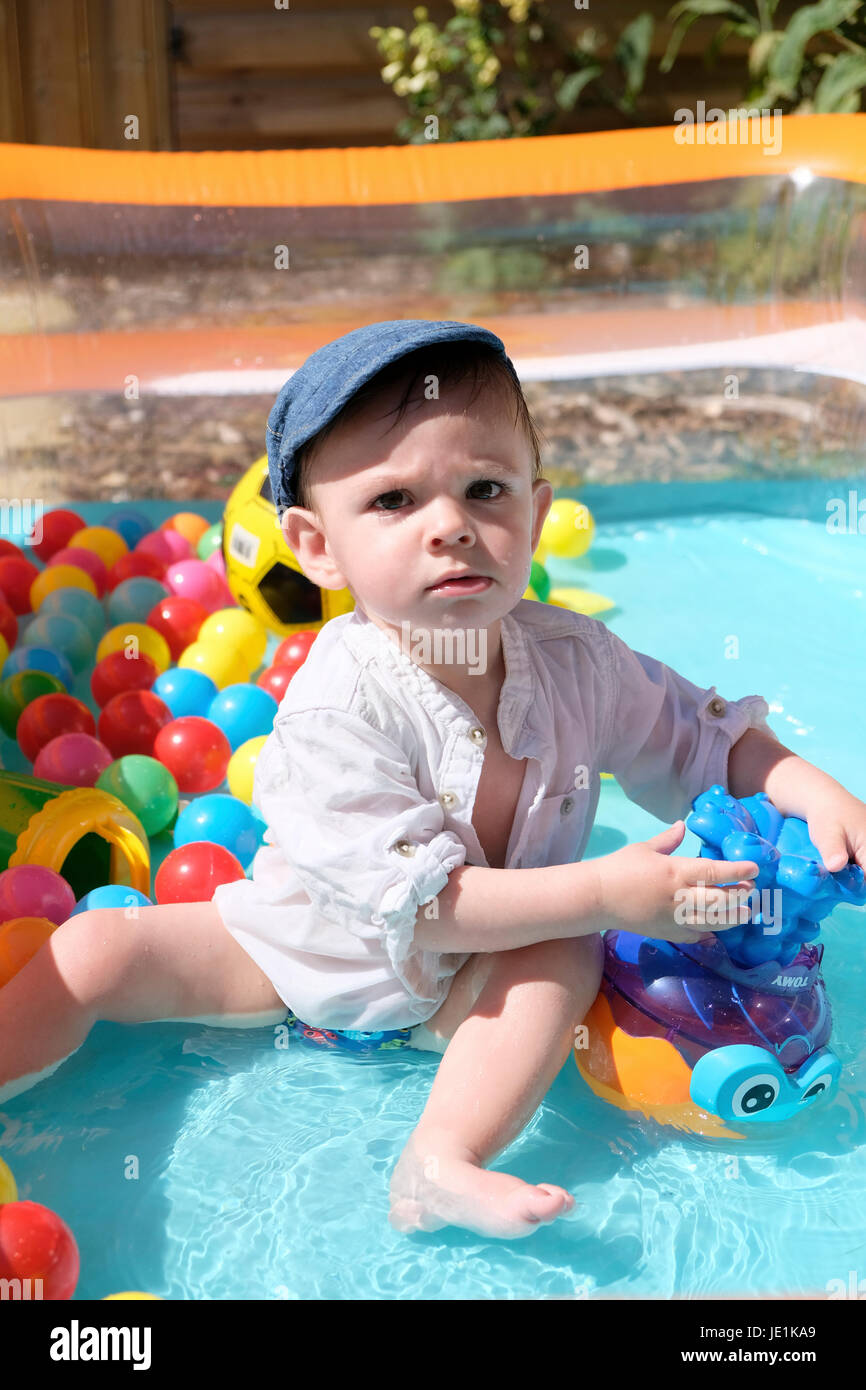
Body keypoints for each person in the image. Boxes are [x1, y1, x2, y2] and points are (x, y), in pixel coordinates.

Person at [2, 320, 865, 1241]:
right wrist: (611, 890)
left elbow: (699, 741)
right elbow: (425, 908)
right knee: (94, 951)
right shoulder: (334, 709)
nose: (451, 524)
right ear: (316, 546)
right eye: (394, 500)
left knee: (567, 953)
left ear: (534, 512)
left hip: (471, 985)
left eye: (484, 489)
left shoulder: (580, 659)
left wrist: (815, 793)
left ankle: (440, 1161)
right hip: (301, 961)